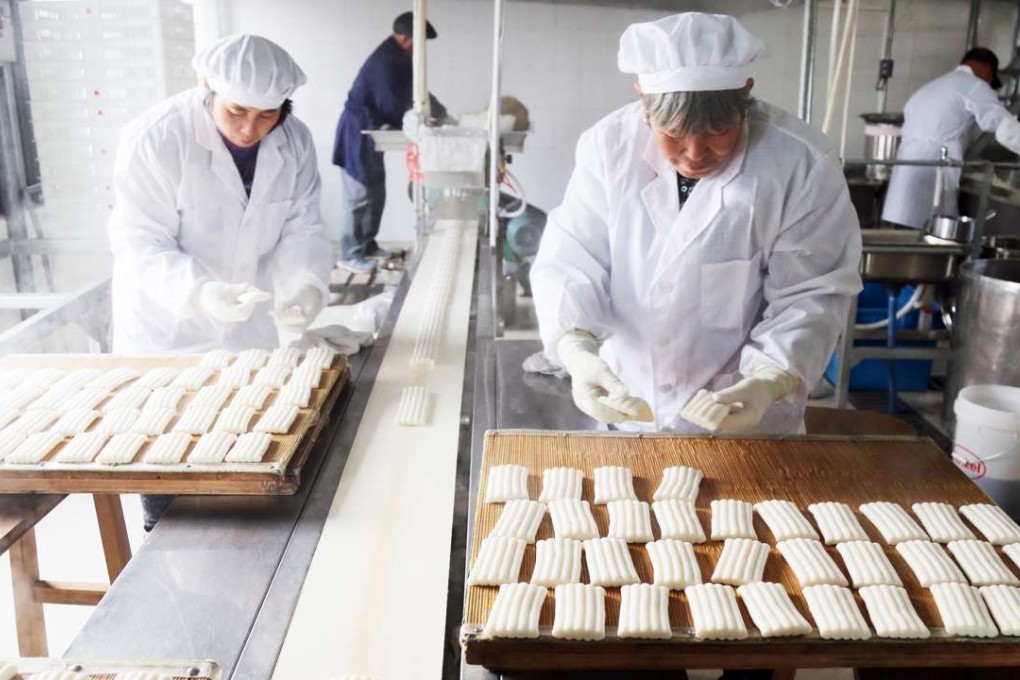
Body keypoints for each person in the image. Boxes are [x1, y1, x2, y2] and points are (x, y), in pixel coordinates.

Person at [530, 12, 862, 435]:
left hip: (745, 421)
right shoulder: (607, 148)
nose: (694, 153)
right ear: (643, 102)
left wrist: (770, 379)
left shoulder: (800, 163)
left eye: (718, 131)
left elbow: (810, 292)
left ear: (746, 94)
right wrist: (577, 351)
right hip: (629, 404)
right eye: (673, 133)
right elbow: (573, 258)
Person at [108, 34, 332, 530]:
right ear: (207, 86)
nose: (251, 129)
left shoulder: (295, 142)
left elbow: (303, 227)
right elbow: (139, 243)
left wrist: (304, 284)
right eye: (237, 111)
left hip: (246, 340)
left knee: (246, 473)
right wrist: (200, 293)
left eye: (267, 115)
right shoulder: (158, 137)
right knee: (171, 476)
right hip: (168, 338)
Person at [332, 11, 449, 274]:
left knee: (375, 191)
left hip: (372, 132)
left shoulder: (401, 59)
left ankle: (367, 244)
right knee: (359, 195)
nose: (421, 48)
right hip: (358, 131)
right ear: (406, 39)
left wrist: (442, 113)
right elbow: (391, 103)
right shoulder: (386, 61)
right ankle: (349, 254)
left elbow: (418, 92)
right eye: (420, 42)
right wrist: (417, 122)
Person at [883, 47, 1020, 229]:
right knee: (929, 236)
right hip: (933, 173)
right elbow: (1003, 126)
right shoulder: (973, 85)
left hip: (905, 176)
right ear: (986, 69)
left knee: (905, 237)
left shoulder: (932, 87)